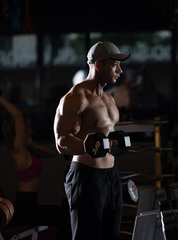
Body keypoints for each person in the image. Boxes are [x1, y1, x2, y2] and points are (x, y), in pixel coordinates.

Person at [53, 41, 131, 240]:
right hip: (86, 178)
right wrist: (88, 146)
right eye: (115, 65)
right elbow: (62, 142)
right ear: (98, 65)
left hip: (111, 176)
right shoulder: (75, 98)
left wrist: (113, 144)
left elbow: (106, 138)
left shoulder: (109, 99)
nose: (120, 70)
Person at [0, 88, 71, 239]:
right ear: (19, 131)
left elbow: (54, 153)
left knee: (66, 214)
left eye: (30, 128)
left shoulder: (29, 151)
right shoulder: (19, 150)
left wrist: (33, 145)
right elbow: (17, 115)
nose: (30, 131)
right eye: (27, 127)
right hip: (24, 209)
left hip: (29, 206)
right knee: (65, 216)